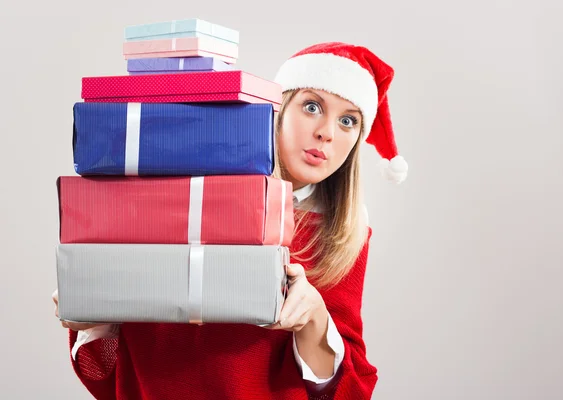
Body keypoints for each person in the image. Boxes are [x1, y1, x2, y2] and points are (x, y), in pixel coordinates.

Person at [52, 42, 408, 400]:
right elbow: (106, 364)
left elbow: (346, 390)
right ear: (277, 110)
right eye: (311, 106)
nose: (327, 132)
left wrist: (314, 320)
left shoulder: (344, 234)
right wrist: (91, 306)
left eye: (348, 120)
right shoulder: (188, 190)